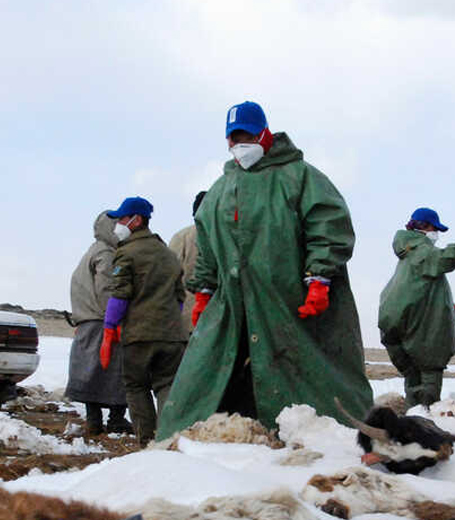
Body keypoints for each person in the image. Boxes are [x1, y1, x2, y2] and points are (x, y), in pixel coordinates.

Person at [156, 101, 374, 438]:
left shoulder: (301, 178)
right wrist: (203, 293)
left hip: (292, 303)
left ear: (264, 133)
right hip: (234, 307)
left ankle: (333, 438)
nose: (238, 144)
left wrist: (319, 279)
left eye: (245, 135)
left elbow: (328, 226)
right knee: (206, 375)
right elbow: (209, 248)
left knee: (313, 374)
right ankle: (190, 443)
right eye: (232, 138)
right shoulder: (219, 191)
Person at [378, 208, 455, 408]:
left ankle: (411, 424)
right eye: (434, 228)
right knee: (428, 381)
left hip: (398, 328)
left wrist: (446, 308)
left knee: (413, 381)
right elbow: (441, 259)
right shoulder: (420, 250)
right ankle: (424, 423)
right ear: (422, 227)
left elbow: (415, 290)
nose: (436, 234)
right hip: (420, 335)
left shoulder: (408, 254)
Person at [100, 197, 187, 444]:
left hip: (139, 336)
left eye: (122, 219)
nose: (118, 223)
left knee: (136, 386)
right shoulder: (168, 254)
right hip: (173, 336)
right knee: (167, 384)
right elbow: (179, 298)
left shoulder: (127, 253)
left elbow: (120, 296)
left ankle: (147, 443)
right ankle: (171, 439)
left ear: (136, 220)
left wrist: (109, 330)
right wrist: (168, 322)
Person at [65, 212, 133, 435]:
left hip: (86, 322)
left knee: (90, 374)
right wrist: (115, 319)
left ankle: (94, 420)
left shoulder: (92, 251)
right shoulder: (107, 254)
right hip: (102, 322)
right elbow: (107, 290)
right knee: (117, 372)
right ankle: (116, 419)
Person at [167, 190, 205, 335]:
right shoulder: (223, 235)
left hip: (186, 316)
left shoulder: (181, 237)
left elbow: (169, 277)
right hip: (217, 315)